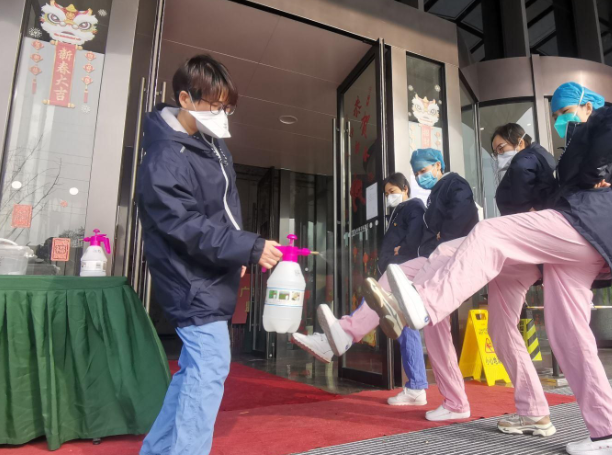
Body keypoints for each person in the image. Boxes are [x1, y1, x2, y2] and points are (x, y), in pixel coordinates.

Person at [366, 82, 612, 455]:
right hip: (572, 245)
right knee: (566, 336)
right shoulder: (570, 147)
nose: (560, 120)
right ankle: (608, 434)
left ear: (587, 104)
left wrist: (596, 171)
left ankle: (425, 304)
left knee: (488, 232)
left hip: (587, 227)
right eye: (556, 115)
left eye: (564, 112)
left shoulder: (608, 117)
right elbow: (558, 189)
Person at [136, 55, 283, 455]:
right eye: (214, 105)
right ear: (185, 98)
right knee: (210, 366)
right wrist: (247, 247)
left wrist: (236, 255)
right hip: (188, 277)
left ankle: (156, 450)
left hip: (209, 273)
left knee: (194, 373)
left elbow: (222, 212)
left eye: (226, 107)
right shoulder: (165, 157)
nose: (221, 115)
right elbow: (184, 225)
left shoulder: (208, 144)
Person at [292, 172, 431, 406]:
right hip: (396, 270)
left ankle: (341, 336)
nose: (389, 196)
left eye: (392, 191)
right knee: (406, 329)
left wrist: (402, 250)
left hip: (402, 271)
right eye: (386, 194)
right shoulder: (397, 212)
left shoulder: (414, 206)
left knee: (381, 305)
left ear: (405, 188)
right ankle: (417, 386)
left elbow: (414, 238)